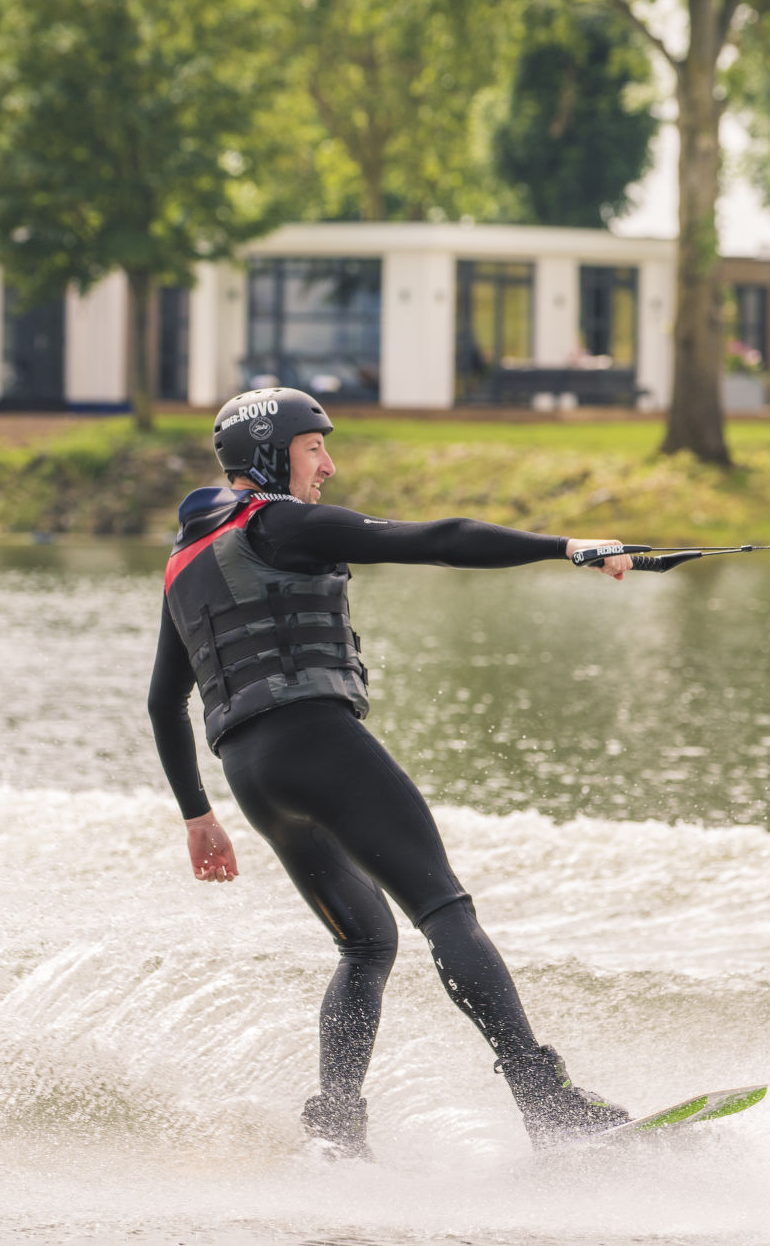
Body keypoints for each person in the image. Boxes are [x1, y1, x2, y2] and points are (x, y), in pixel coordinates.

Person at [146, 387, 637, 1158]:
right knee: (443, 908)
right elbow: (437, 538)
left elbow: (161, 701)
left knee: (367, 944)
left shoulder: (184, 561)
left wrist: (197, 815)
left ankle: (337, 1128)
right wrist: (565, 547)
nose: (329, 466)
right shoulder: (281, 522)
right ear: (272, 453)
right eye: (315, 448)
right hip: (316, 741)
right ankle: (544, 1099)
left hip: (252, 777)